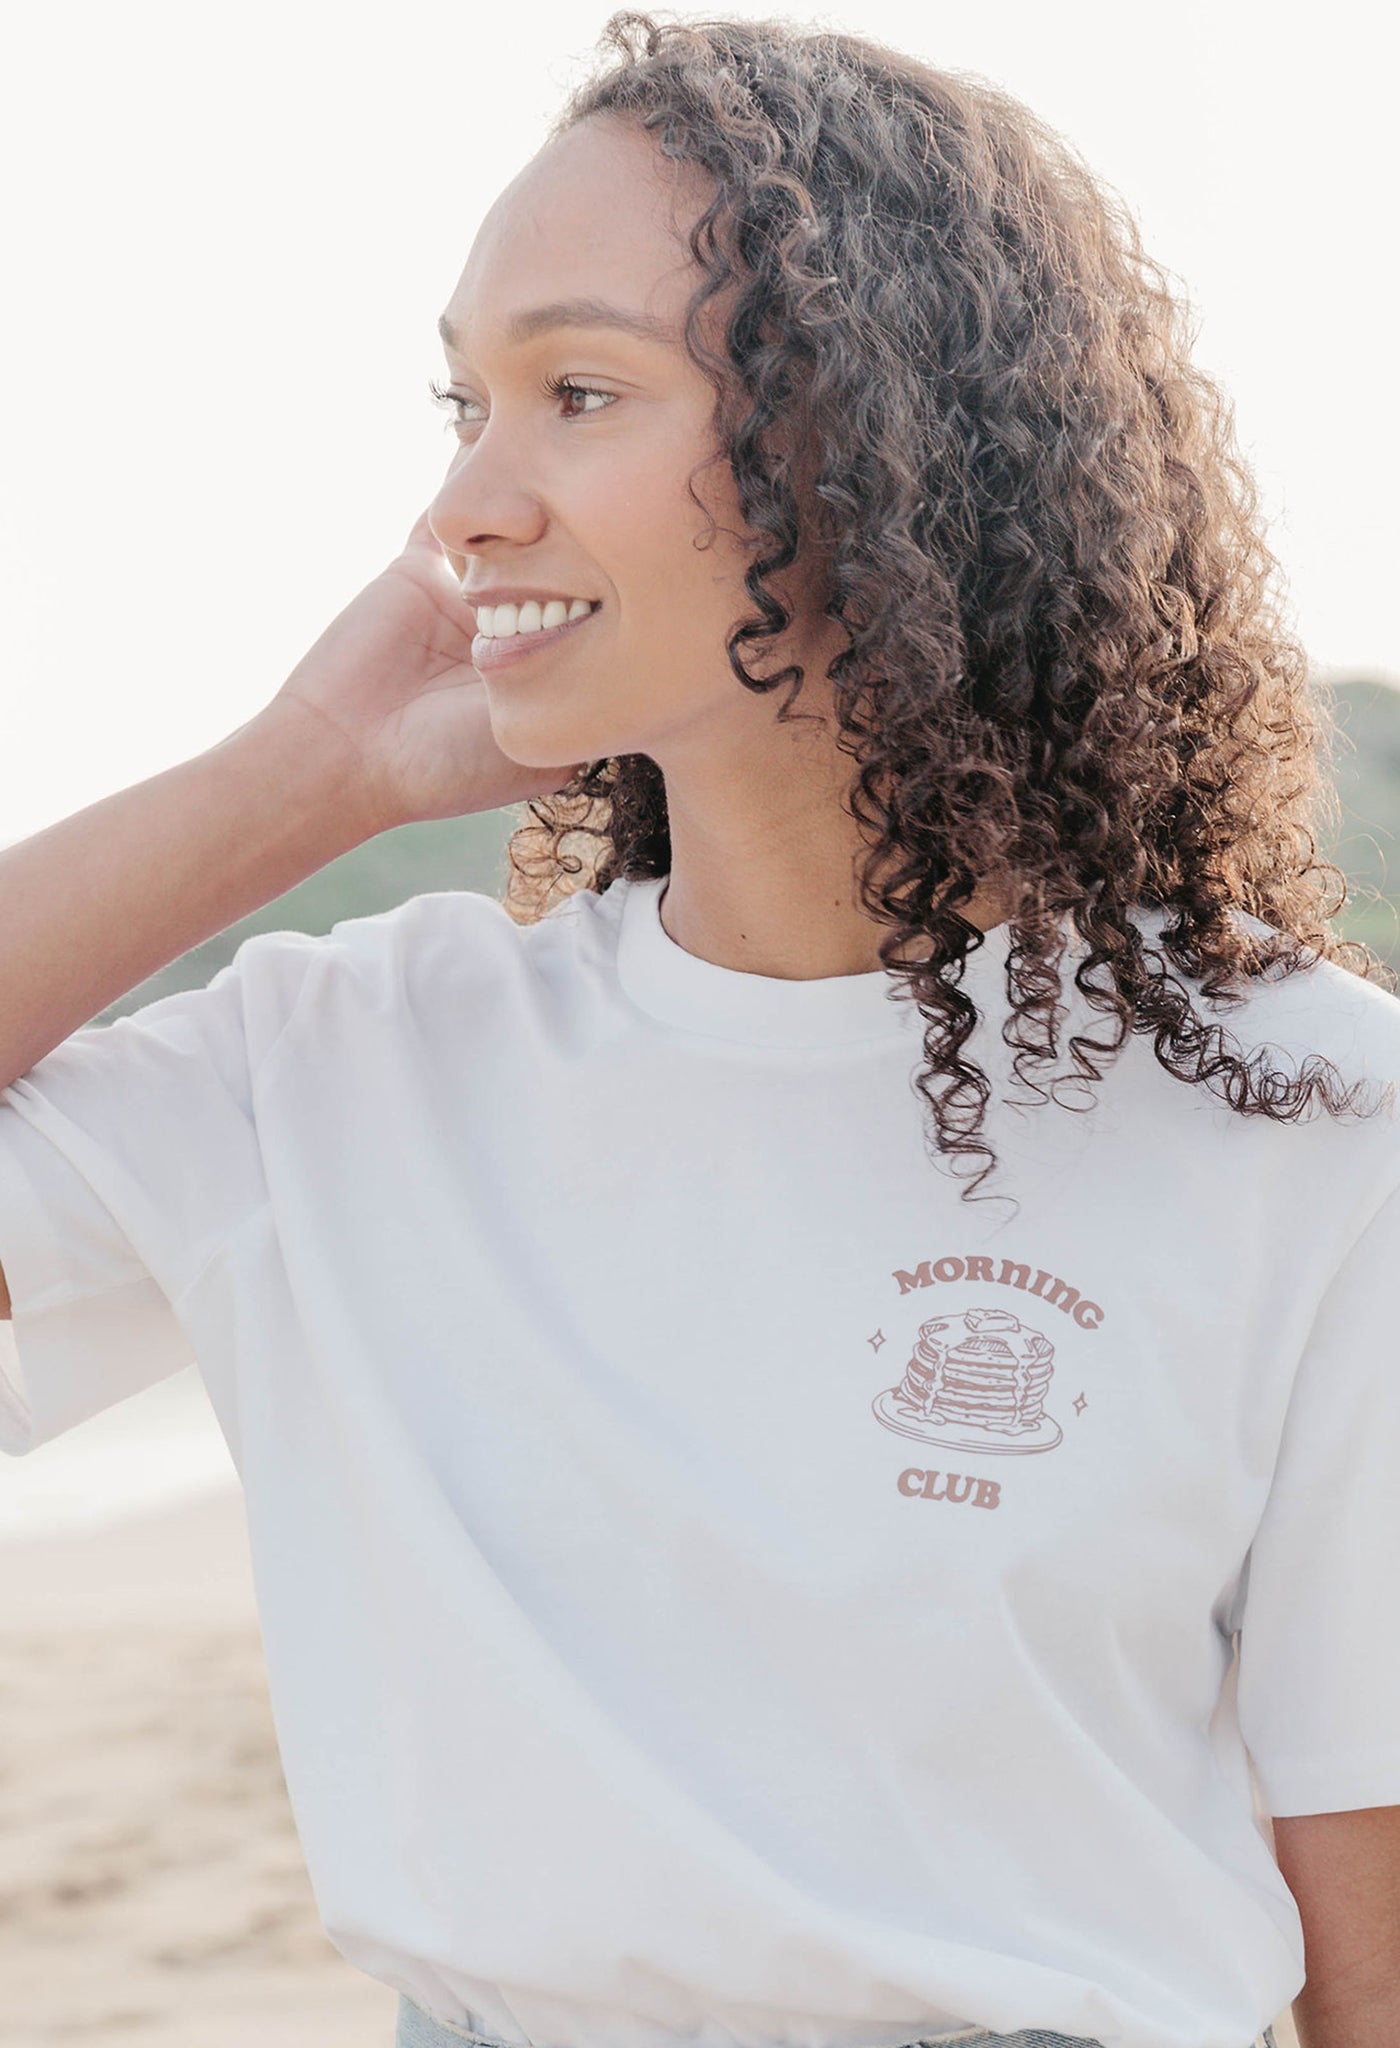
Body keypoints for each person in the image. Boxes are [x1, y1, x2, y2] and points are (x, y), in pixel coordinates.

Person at [0, 12, 1395, 2048]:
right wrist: (299, 771)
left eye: (575, 391)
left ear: (875, 441)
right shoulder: (333, 1072)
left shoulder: (1300, 1105)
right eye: (460, 403)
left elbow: (1356, 1847)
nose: (466, 507)